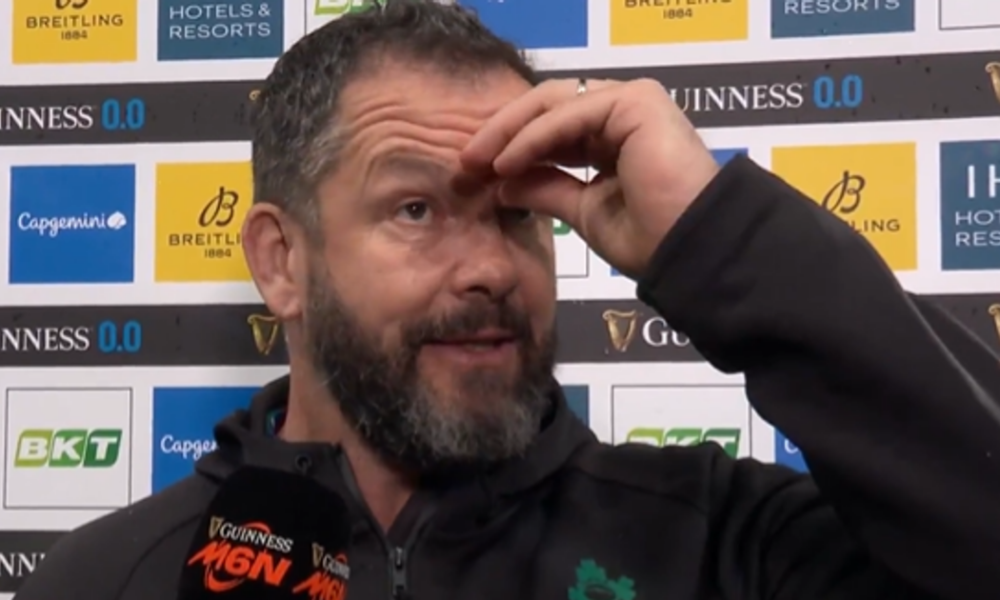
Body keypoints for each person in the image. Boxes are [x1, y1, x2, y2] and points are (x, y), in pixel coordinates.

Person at [16, 2, 1000, 599]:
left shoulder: (724, 543)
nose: (491, 266)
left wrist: (718, 236)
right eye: (415, 209)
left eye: (518, 214)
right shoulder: (109, 579)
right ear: (282, 262)